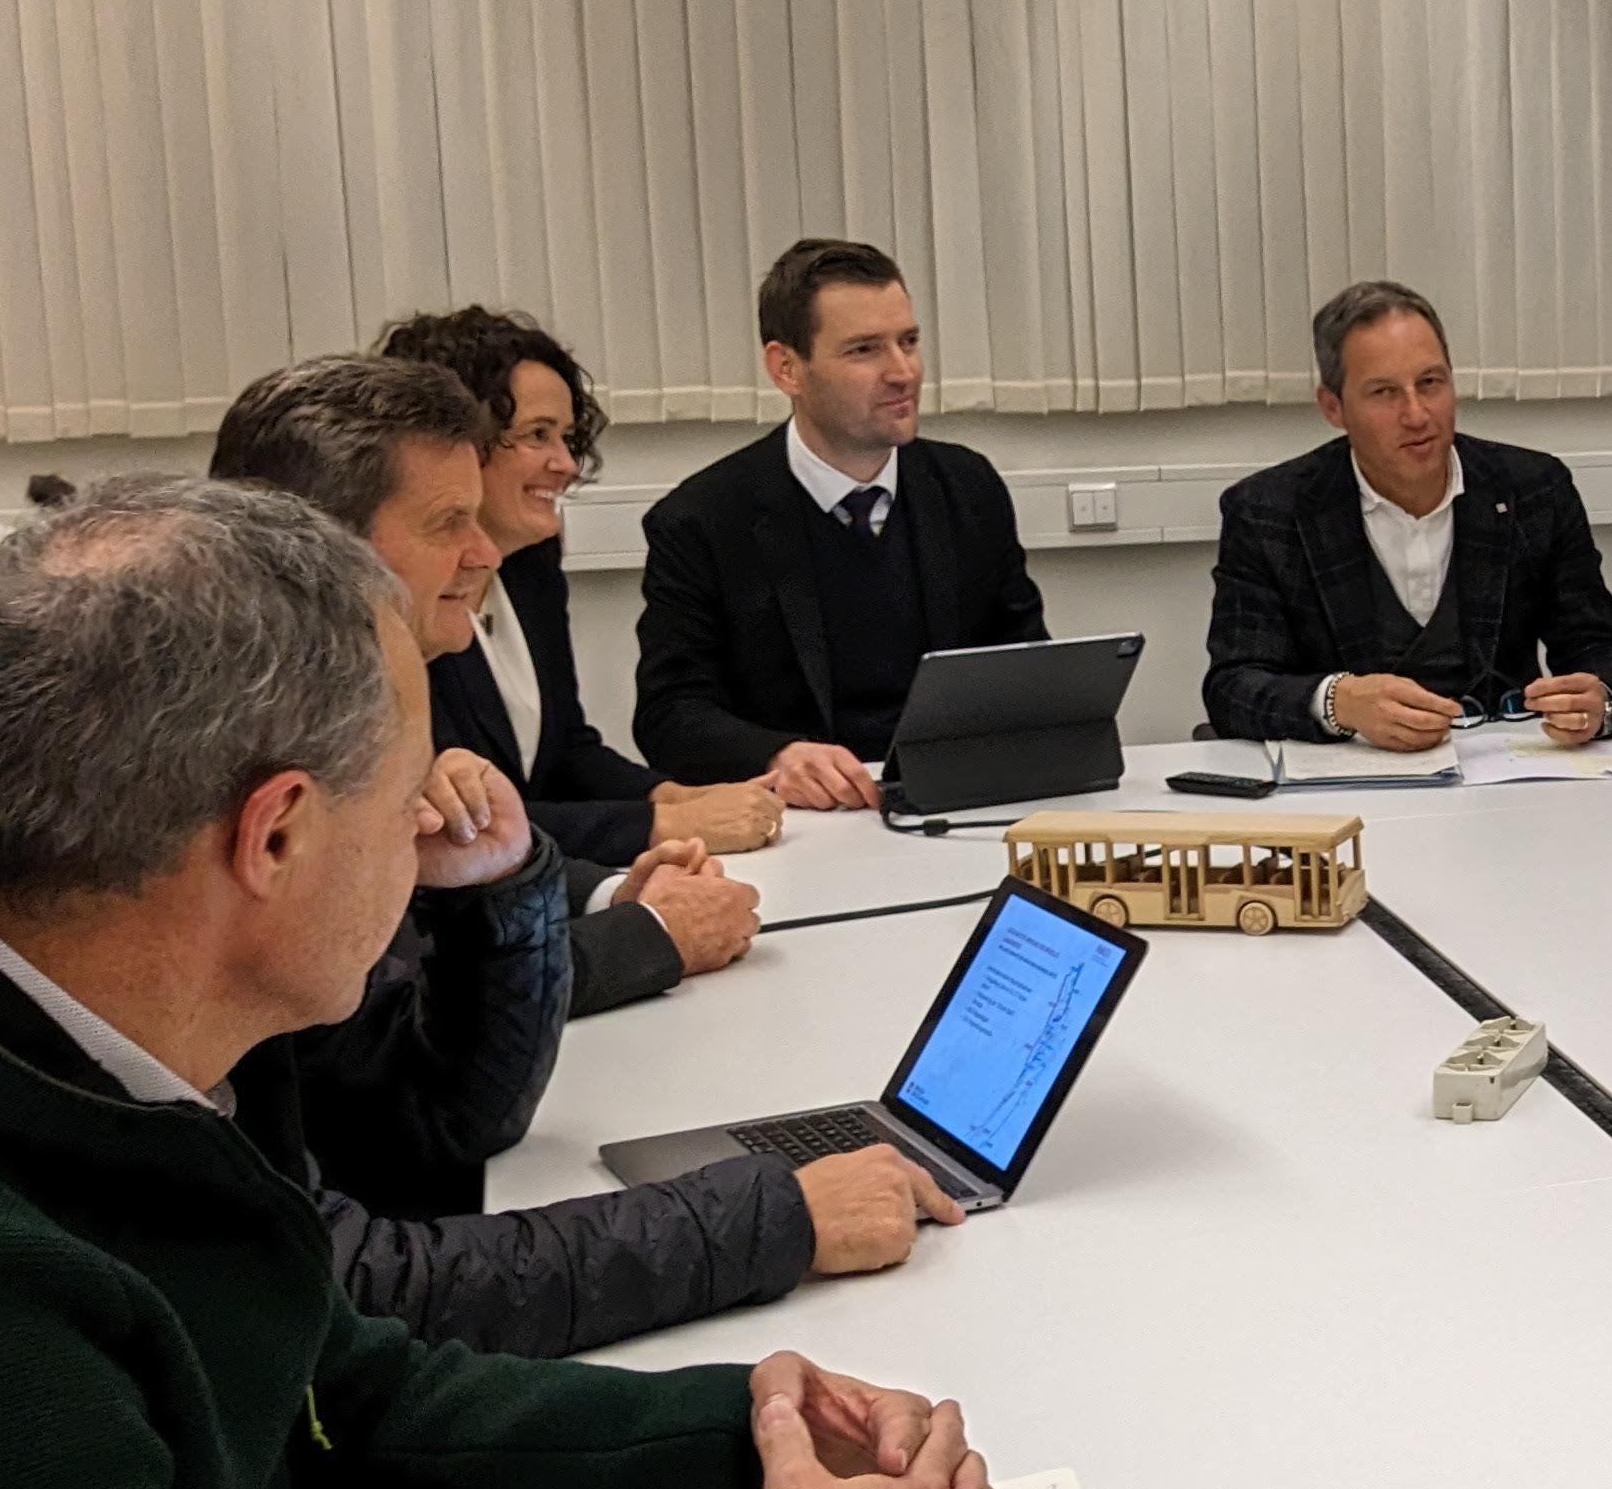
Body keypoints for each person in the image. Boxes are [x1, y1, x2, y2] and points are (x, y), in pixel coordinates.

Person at [0, 476, 999, 1489]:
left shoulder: (28, 1015)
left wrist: (752, 1437)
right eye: (404, 788)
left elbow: (335, 1401)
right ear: (279, 833)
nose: (432, 823)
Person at [211, 356, 959, 1354]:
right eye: (446, 525)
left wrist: (506, 882)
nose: (483, 550)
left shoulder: (344, 737)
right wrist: (765, 1220)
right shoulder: (256, 791)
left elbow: (452, 1126)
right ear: (315, 554)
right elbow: (353, 1282)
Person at [214, 355, 758, 1021]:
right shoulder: (276, 732)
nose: (484, 553)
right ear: (325, 544)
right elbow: (402, 1009)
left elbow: (474, 844)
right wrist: (654, 932)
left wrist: (612, 891)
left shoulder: (351, 681)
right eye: (448, 523)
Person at [635, 237, 1048, 807]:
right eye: (864, 350)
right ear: (787, 369)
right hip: (804, 824)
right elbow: (670, 714)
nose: (902, 371)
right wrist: (778, 754)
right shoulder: (701, 521)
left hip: (959, 804)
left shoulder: (967, 488)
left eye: (908, 342)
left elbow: (1026, 667)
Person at [379, 306, 785, 867]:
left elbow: (566, 750)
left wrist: (669, 793)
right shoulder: (395, 601)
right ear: (459, 443)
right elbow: (454, 823)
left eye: (568, 437)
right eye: (538, 435)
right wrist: (661, 824)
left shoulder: (528, 563)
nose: (567, 464)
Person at [1202, 278, 1612, 749]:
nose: (1416, 414)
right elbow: (1232, 687)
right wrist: (1338, 703)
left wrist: (1601, 702)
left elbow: (1601, 649)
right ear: (1333, 406)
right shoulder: (1268, 511)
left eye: (1430, 383)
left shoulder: (1534, 489)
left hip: (1508, 775)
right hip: (1354, 783)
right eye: (1385, 393)